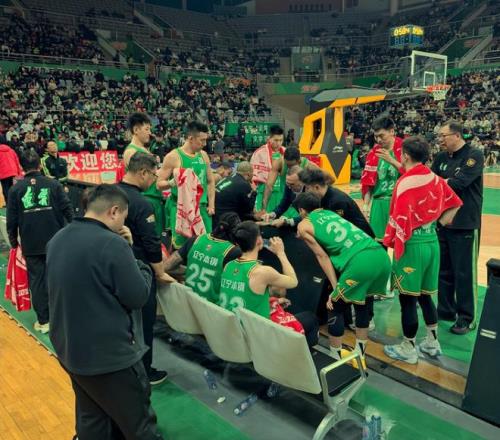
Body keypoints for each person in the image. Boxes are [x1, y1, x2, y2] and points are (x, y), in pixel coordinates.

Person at [46, 184, 163, 440]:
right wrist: (137, 260)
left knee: (93, 420)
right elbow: (138, 296)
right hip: (110, 358)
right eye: (123, 217)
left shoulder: (58, 238)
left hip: (71, 351)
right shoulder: (112, 244)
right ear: (114, 211)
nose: (123, 224)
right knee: (140, 427)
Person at [382, 136, 462, 364]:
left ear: (405, 155)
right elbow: (456, 203)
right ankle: (432, 342)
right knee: (426, 296)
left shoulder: (405, 182)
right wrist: (439, 224)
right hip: (432, 242)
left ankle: (408, 347)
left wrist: (390, 241)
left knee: (408, 299)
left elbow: (398, 220)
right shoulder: (435, 178)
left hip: (412, 246)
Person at [294, 192, 391, 359]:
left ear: (302, 210)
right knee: (363, 303)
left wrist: (335, 286)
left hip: (360, 262)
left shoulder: (303, 225)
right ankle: (360, 353)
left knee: (334, 306)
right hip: (381, 255)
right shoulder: (331, 213)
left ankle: (335, 356)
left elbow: (322, 256)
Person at [119, 153, 174, 385]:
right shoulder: (141, 204)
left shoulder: (109, 194)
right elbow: (151, 244)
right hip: (138, 271)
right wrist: (160, 272)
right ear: (143, 172)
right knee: (143, 322)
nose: (154, 180)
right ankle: (145, 371)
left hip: (112, 269)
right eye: (153, 174)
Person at [218, 221, 319, 347]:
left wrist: (274, 301)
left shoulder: (228, 266)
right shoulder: (262, 272)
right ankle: (295, 356)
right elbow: (293, 281)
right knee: (310, 318)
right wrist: (281, 253)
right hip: (256, 337)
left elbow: (246, 294)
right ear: (259, 241)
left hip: (233, 332)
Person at [6, 150, 73, 333]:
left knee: (37, 282)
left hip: (31, 243)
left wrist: (13, 242)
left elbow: (11, 220)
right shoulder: (53, 184)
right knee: (58, 278)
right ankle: (62, 317)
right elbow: (68, 210)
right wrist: (74, 233)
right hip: (56, 242)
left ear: (21, 167)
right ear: (39, 165)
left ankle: (44, 321)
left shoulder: (15, 190)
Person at [431, 120, 484, 334]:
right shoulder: (441, 158)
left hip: (465, 223)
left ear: (457, 135)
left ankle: (466, 317)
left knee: (464, 273)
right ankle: (446, 310)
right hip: (443, 221)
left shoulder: (474, 155)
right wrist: (443, 182)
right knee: (444, 270)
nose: (440, 140)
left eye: (443, 136)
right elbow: (433, 182)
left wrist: (441, 182)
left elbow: (459, 183)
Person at [157, 121, 215, 249]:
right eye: (202, 140)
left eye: (206, 140)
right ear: (190, 138)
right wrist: (172, 182)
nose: (205, 144)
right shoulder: (173, 156)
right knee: (181, 247)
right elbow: (159, 184)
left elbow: (210, 181)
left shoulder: (204, 155)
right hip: (181, 208)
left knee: (205, 246)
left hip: (201, 207)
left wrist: (211, 205)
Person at [164, 212, 242, 303]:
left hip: (188, 302)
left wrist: (190, 271)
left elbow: (166, 267)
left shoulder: (195, 240)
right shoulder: (233, 251)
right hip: (211, 307)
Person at [360, 116, 404, 242]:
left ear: (392, 131)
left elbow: (413, 174)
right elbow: (368, 183)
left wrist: (391, 160)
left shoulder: (405, 149)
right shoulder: (374, 153)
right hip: (378, 204)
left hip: (400, 204)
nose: (379, 140)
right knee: (379, 243)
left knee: (400, 244)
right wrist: (366, 205)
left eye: (381, 136)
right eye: (376, 136)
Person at [123, 112, 165, 237]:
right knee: (147, 239)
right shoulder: (131, 151)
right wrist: (168, 171)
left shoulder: (145, 150)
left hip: (155, 199)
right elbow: (145, 178)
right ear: (136, 130)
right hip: (145, 200)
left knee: (156, 238)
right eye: (146, 129)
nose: (149, 133)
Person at [298, 168, 375, 237]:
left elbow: (337, 230)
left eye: (307, 188)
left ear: (317, 187)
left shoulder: (337, 202)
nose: (306, 191)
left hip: (362, 239)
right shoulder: (324, 196)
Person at [260, 147, 317, 215]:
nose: (290, 168)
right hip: (285, 201)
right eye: (288, 165)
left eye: (292, 165)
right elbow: (269, 185)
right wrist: (263, 208)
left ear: (299, 161)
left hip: (301, 205)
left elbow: (325, 183)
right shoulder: (279, 162)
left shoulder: (310, 166)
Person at [250, 125, 285, 213]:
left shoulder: (286, 152)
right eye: (276, 140)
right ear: (269, 138)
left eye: (281, 140)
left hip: (281, 192)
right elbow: (252, 177)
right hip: (263, 191)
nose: (278, 143)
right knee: (262, 216)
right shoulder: (259, 153)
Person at [214, 161, 256, 227]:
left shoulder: (228, 178)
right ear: (248, 174)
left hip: (215, 215)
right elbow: (248, 209)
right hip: (224, 220)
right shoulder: (244, 184)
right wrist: (254, 192)